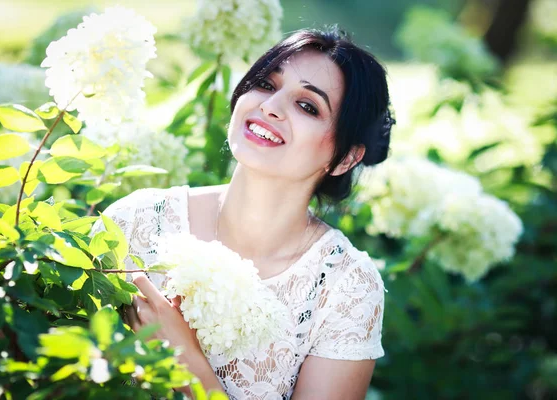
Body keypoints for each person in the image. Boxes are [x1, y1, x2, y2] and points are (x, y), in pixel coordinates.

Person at [92, 27, 394, 400]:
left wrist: (186, 361)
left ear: (345, 158)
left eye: (307, 106)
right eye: (266, 84)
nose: (269, 106)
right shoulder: (137, 220)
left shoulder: (344, 286)